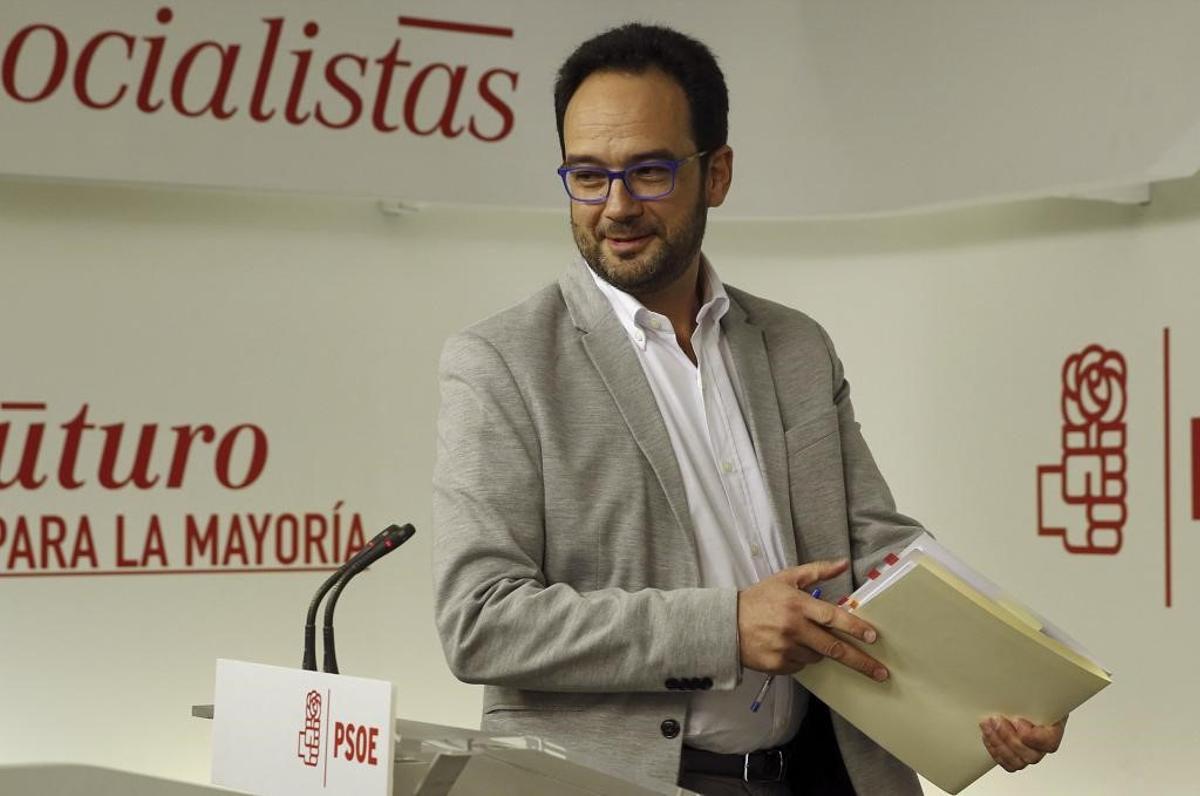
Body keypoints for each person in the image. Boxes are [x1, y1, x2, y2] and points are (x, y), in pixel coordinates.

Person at [432, 23, 1065, 795]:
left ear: (718, 172)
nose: (616, 206)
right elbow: (481, 623)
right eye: (589, 176)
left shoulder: (795, 345)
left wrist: (1003, 680)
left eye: (651, 172)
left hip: (823, 771)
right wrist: (727, 626)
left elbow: (873, 550)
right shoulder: (502, 362)